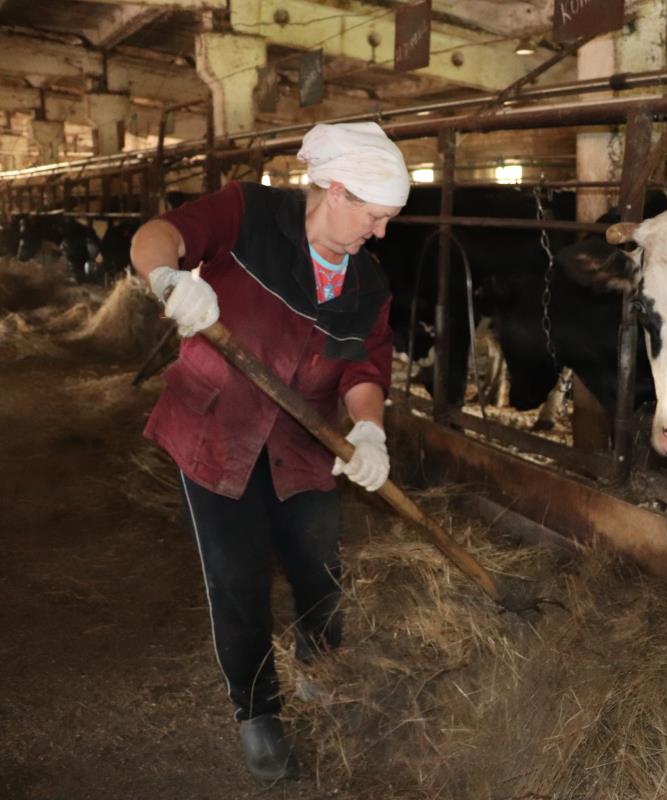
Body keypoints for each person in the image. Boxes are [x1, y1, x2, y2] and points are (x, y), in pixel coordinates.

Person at [129, 121, 409, 782]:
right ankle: (257, 713)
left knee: (320, 568)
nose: (381, 233)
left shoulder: (364, 285)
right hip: (215, 429)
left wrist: (369, 430)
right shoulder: (249, 212)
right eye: (376, 216)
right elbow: (155, 236)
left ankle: (321, 669)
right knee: (237, 578)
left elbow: (361, 369)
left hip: (303, 442)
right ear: (335, 192)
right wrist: (169, 279)